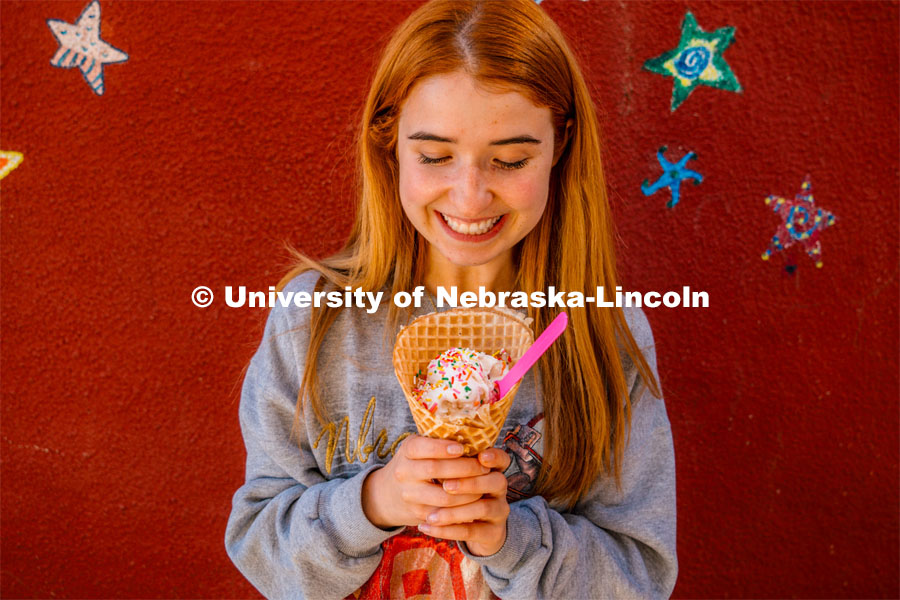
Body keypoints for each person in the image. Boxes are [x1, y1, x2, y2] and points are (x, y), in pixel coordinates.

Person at [225, 0, 678, 598]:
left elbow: (639, 577)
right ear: (389, 144)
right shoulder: (312, 320)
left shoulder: (602, 332)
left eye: (510, 159)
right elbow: (260, 545)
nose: (469, 198)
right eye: (435, 156)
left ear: (560, 145)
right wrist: (373, 500)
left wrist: (509, 539)